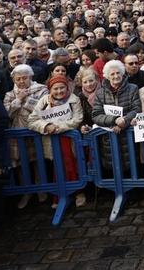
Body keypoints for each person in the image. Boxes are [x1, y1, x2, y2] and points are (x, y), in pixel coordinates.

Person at [27, 74, 86, 208]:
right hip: (51, 141)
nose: (59, 91)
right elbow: (32, 121)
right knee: (58, 167)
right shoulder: (43, 101)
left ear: (67, 88)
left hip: (70, 140)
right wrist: (46, 126)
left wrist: (58, 127)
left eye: (62, 88)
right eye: (56, 89)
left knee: (74, 165)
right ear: (50, 89)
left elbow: (77, 119)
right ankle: (60, 195)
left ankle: (79, 193)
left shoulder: (73, 99)